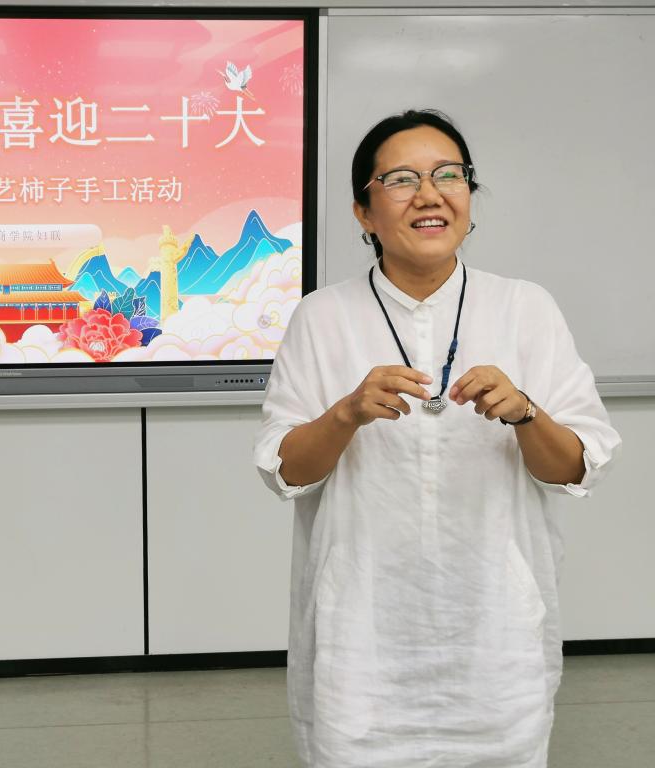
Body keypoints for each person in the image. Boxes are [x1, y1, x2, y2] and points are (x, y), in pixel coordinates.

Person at [254, 109, 622, 767]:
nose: (430, 194)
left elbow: (577, 467)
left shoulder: (524, 308)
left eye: (449, 175)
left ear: (469, 196)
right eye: (401, 179)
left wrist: (526, 414)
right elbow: (285, 471)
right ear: (364, 212)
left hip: (495, 642)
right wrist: (345, 415)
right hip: (360, 644)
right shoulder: (322, 317)